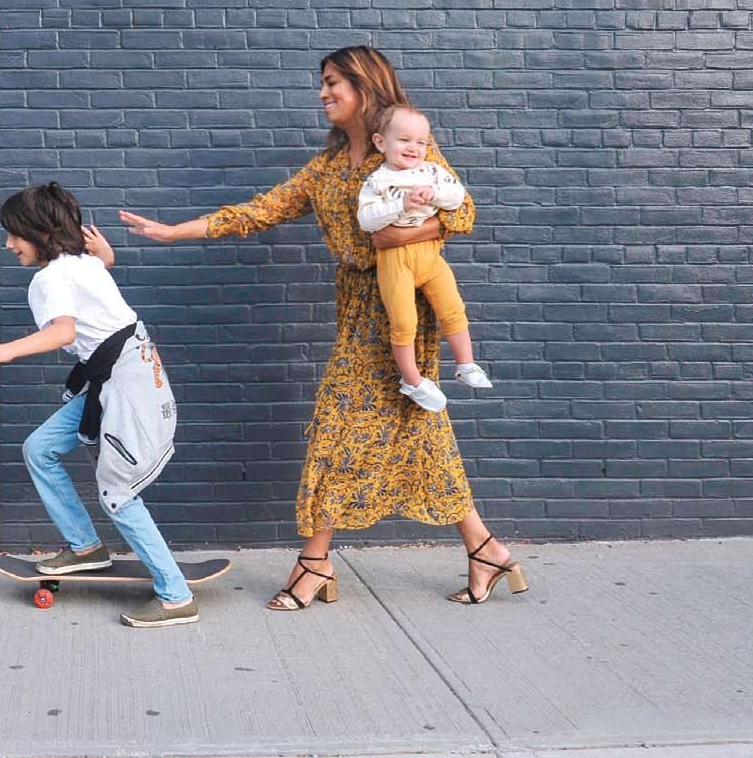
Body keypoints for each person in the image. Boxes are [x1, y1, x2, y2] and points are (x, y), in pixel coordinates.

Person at [120, 45, 528, 609]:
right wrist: (173, 232)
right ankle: (485, 549)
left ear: (364, 85)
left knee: (336, 424)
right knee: (419, 428)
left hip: (402, 305)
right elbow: (259, 211)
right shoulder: (328, 168)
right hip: (359, 307)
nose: (322, 93)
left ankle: (314, 561)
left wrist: (396, 236)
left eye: (333, 82)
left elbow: (463, 212)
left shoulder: (408, 145)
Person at [0, 181, 198, 628]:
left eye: (14, 234)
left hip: (126, 385)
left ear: (40, 233)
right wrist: (106, 256)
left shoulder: (50, 278)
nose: (9, 244)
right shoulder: (82, 264)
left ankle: (176, 597)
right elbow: (98, 279)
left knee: (118, 493)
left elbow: (63, 332)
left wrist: (4, 350)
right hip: (118, 374)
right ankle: (86, 547)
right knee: (40, 448)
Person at [357, 103, 492, 413]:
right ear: (381, 142)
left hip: (430, 257)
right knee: (404, 322)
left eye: (421, 142)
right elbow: (366, 221)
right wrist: (402, 204)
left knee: (453, 308)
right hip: (395, 261)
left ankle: (466, 363)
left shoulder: (432, 172)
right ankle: (412, 380)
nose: (413, 147)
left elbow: (457, 197)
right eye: (404, 140)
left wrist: (434, 194)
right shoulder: (377, 181)